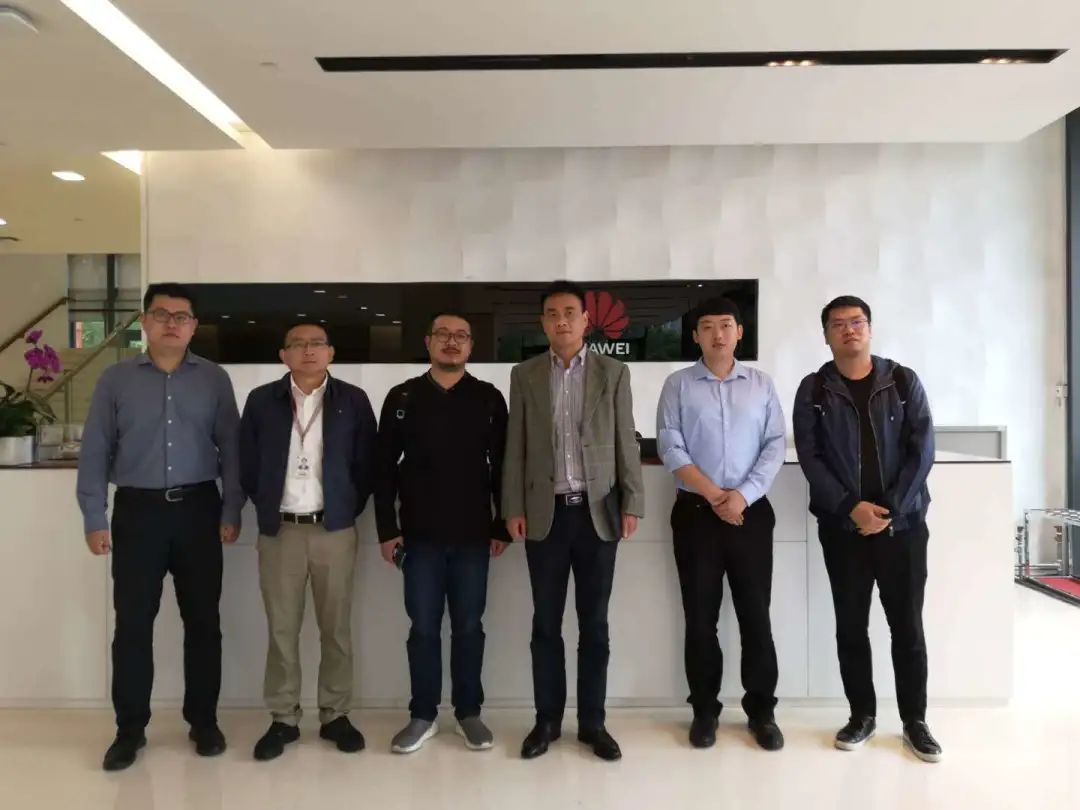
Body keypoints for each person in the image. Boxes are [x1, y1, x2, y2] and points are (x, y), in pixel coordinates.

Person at [77, 282, 242, 771]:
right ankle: (129, 730)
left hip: (199, 511)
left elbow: (232, 450)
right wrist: (94, 516)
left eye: (182, 316)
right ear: (145, 321)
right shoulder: (115, 380)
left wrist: (231, 509)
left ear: (194, 326)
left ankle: (203, 722)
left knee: (203, 623)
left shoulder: (214, 379)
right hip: (137, 513)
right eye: (162, 314)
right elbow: (95, 450)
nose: (172, 323)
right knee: (132, 626)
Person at [792, 295, 942, 763]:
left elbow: (923, 449)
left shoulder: (902, 381)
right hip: (844, 530)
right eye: (838, 324)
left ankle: (915, 721)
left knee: (907, 626)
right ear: (826, 336)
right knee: (851, 627)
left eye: (857, 322)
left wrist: (891, 509)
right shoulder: (814, 390)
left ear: (870, 329)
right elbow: (810, 456)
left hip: (904, 527)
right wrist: (850, 507)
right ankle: (862, 716)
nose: (849, 330)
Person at [503, 280, 645, 762]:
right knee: (545, 623)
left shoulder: (614, 372)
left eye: (570, 312)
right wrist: (513, 507)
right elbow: (515, 446)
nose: (561, 320)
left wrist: (632, 501)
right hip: (544, 515)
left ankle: (593, 723)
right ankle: (546, 721)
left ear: (586, 320)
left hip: (597, 514)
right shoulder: (524, 374)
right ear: (542, 322)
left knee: (595, 624)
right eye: (552, 313)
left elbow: (625, 439)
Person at [239, 323, 376, 761]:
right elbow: (246, 462)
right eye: (298, 344)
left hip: (334, 530)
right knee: (282, 630)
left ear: (331, 352)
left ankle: (336, 715)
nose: (308, 351)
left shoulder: (353, 401)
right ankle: (283, 718)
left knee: (336, 629)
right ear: (284, 355)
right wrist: (264, 502)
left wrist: (345, 506)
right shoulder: (262, 401)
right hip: (280, 532)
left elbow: (367, 465)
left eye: (317, 343)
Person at [375, 313, 509, 753]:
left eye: (461, 336)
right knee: (423, 627)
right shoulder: (403, 396)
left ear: (471, 346)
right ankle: (423, 715)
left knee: (469, 626)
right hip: (419, 537)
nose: (452, 342)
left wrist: (501, 524)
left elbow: (503, 468)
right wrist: (387, 530)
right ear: (428, 341)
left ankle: (469, 713)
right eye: (443, 335)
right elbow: (382, 469)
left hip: (473, 535)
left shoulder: (488, 398)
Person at [656, 297, 786, 751]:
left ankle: (762, 712)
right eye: (707, 326)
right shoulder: (677, 385)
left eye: (726, 325)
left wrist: (741, 496)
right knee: (700, 619)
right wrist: (716, 496)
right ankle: (704, 711)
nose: (717, 334)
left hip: (751, 514)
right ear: (695, 335)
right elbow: (670, 446)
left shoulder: (761, 384)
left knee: (756, 617)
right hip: (696, 514)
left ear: (739, 332)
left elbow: (775, 445)